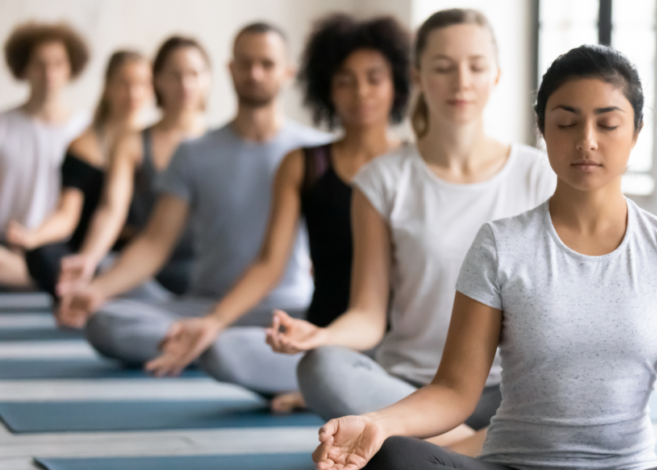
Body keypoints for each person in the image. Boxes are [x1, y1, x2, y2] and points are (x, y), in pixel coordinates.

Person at [308, 45, 657, 470]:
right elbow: (453, 391)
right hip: (512, 466)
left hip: (626, 467)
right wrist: (380, 422)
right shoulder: (500, 243)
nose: (587, 142)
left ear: (636, 132)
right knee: (393, 458)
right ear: (542, 130)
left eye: (608, 123)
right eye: (566, 122)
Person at [266, 8, 556, 445]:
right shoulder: (381, 180)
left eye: (476, 67)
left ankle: (429, 447)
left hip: (513, 391)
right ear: (418, 76)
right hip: (412, 391)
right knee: (321, 367)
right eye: (443, 68)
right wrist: (320, 335)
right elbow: (368, 314)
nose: (461, 82)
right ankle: (478, 446)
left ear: (496, 75)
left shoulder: (539, 174)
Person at [141, 14, 411, 408]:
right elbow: (270, 262)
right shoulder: (303, 163)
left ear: (396, 84)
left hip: (402, 345)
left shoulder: (414, 163)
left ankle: (338, 392)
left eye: (374, 78)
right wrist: (214, 322)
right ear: (326, 89)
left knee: (377, 371)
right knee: (223, 349)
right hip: (322, 341)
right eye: (344, 80)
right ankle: (338, 388)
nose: (361, 93)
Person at [58, 23, 329, 396]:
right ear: (230, 69)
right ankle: (217, 346)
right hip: (204, 304)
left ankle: (216, 346)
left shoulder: (314, 150)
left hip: (285, 311)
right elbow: (154, 243)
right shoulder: (195, 153)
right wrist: (96, 290)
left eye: (266, 64)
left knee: (295, 343)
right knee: (104, 322)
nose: (254, 73)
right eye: (245, 63)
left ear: (287, 72)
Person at [55, 36, 212, 304]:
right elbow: (111, 210)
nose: (186, 85)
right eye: (175, 75)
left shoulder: (218, 144)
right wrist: (88, 258)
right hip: (143, 272)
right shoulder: (133, 142)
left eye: (195, 74)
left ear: (208, 79)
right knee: (103, 308)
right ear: (157, 80)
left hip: (205, 271)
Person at [5, 50, 153, 298]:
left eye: (141, 84)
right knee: (44, 256)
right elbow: (67, 214)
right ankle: (87, 283)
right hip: (90, 250)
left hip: (136, 253)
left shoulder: (156, 144)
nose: (133, 93)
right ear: (107, 87)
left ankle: (94, 285)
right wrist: (34, 237)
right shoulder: (85, 144)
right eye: (124, 84)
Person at [0, 22, 90, 289]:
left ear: (70, 68)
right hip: (7, 242)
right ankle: (44, 281)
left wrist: (35, 238)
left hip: (57, 247)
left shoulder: (84, 130)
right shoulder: (5, 125)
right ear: (24, 68)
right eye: (40, 64)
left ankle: (41, 277)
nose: (49, 73)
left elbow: (75, 209)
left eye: (58, 64)